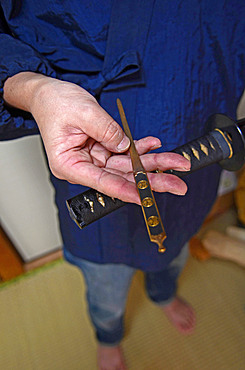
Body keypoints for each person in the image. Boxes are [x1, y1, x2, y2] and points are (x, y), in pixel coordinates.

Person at [0, 1, 244, 369]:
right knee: (106, 288)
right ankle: (108, 335)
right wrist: (32, 88)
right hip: (91, 149)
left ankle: (164, 295)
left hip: (198, 128)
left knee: (173, 248)